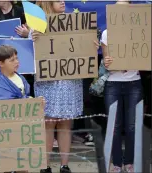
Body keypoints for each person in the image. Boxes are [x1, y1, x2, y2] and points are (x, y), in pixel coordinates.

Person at [31, 1, 99, 173]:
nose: (62, 2)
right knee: (48, 124)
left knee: (65, 124)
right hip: (48, 83)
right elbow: (28, 55)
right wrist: (32, 39)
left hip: (70, 81)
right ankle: (45, 166)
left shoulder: (74, 23)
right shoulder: (37, 26)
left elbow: (82, 49)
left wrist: (92, 47)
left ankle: (64, 165)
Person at [0, 45, 45, 173]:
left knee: (22, 164)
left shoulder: (21, 78)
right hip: (2, 132)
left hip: (20, 129)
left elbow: (26, 98)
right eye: (12, 60)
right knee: (3, 164)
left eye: (17, 58)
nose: (17, 62)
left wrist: (37, 103)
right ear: (1, 63)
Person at [101, 1, 143, 172]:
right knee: (115, 125)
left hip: (134, 82)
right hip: (113, 84)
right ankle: (117, 162)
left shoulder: (140, 32)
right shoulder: (106, 33)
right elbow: (106, 61)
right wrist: (107, 61)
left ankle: (130, 162)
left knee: (132, 126)